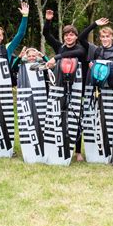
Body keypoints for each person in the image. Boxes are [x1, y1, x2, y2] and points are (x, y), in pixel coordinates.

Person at [42, 9, 87, 162]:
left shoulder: (80, 48)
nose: (69, 37)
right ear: (64, 37)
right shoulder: (60, 47)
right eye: (66, 35)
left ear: (75, 36)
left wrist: (56, 57)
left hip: (76, 88)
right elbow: (47, 35)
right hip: (60, 87)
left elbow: (75, 55)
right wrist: (48, 20)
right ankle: (59, 144)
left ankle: (78, 151)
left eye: (72, 34)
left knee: (76, 118)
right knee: (59, 116)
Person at [78, 17, 113, 91]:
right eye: (103, 37)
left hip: (112, 89)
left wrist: (95, 68)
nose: (105, 39)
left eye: (107, 36)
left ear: (112, 37)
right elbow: (81, 38)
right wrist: (95, 24)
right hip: (96, 88)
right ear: (100, 38)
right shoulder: (96, 49)